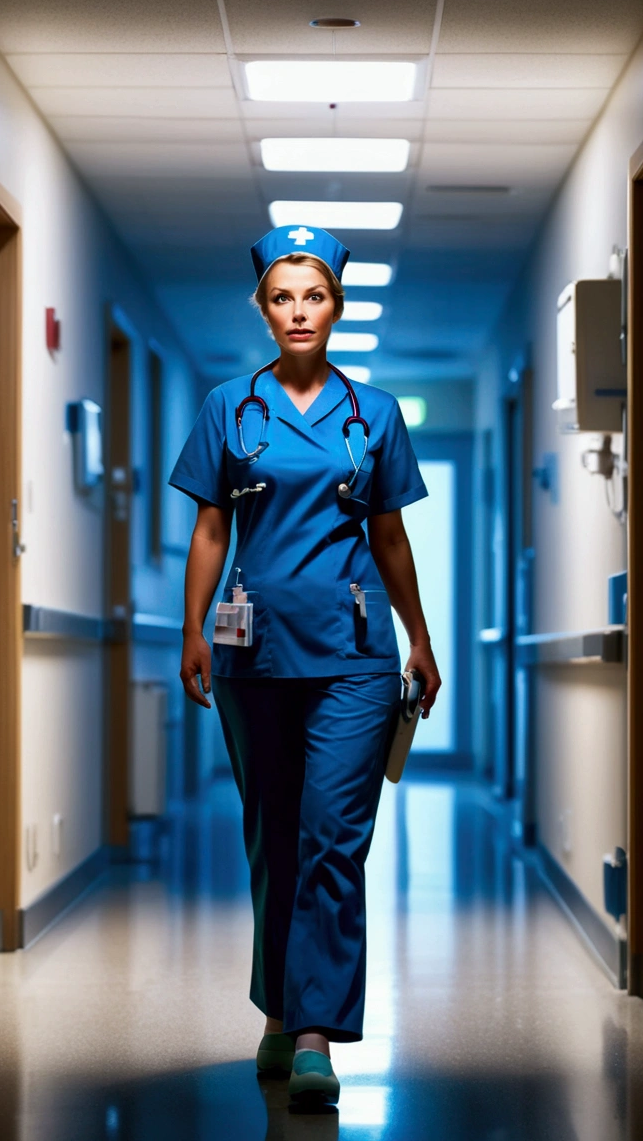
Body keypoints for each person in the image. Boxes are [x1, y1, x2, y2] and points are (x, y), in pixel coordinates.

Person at [169, 225, 441, 1108]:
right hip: (253, 654)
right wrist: (193, 630)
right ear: (263, 308)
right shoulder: (227, 407)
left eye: (313, 295)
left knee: (333, 841)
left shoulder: (377, 413)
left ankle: (316, 1031)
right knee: (271, 837)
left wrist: (421, 638)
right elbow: (211, 529)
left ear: (337, 307)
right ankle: (280, 1012)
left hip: (356, 658)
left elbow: (390, 535)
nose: (298, 311)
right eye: (282, 297)